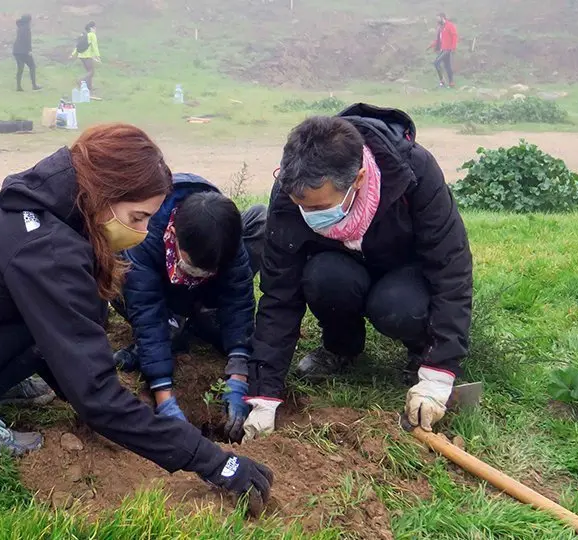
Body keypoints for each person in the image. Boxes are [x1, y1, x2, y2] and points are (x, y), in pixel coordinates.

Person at [0, 123, 274, 513]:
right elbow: (96, 396)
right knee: (43, 331)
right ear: (103, 195)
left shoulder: (43, 209)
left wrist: (81, 386)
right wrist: (216, 463)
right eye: (137, 218)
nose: (142, 234)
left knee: (50, 331)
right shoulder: (47, 250)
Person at [241, 105, 473, 441]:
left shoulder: (414, 172)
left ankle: (420, 354)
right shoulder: (292, 194)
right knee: (321, 277)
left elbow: (451, 270)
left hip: (404, 274)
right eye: (300, 206)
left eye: (319, 207)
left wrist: (440, 371)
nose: (307, 214)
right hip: (342, 270)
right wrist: (264, 395)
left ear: (359, 179)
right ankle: (341, 348)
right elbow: (279, 294)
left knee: (398, 305)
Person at [112, 173, 266, 441]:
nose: (199, 273)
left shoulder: (225, 237)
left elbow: (238, 297)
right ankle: (175, 325)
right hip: (159, 292)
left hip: (201, 298)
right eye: (193, 267)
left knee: (261, 218)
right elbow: (146, 311)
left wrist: (240, 371)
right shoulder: (146, 235)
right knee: (120, 274)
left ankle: (193, 322)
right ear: (174, 236)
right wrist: (164, 398)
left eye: (208, 271)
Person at [70, 21, 100, 94]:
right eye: (94, 27)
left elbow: (77, 46)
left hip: (81, 56)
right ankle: (80, 80)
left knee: (89, 71)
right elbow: (95, 46)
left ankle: (89, 87)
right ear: (91, 28)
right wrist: (97, 56)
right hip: (87, 56)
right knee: (91, 72)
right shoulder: (92, 35)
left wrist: (73, 54)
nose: (95, 29)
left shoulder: (84, 35)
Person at [13, 14, 41, 91]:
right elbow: (27, 40)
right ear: (28, 20)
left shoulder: (20, 27)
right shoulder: (26, 28)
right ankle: (34, 85)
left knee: (20, 69)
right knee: (32, 66)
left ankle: (18, 87)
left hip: (16, 51)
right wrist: (29, 50)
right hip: (24, 51)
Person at [430, 13, 458, 88]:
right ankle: (451, 83)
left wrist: (453, 47)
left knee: (436, 63)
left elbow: (454, 36)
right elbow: (439, 40)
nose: (437, 20)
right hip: (443, 49)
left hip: (448, 49)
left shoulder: (450, 25)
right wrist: (431, 45)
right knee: (447, 66)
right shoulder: (441, 27)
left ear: (443, 18)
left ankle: (442, 82)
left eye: (438, 18)